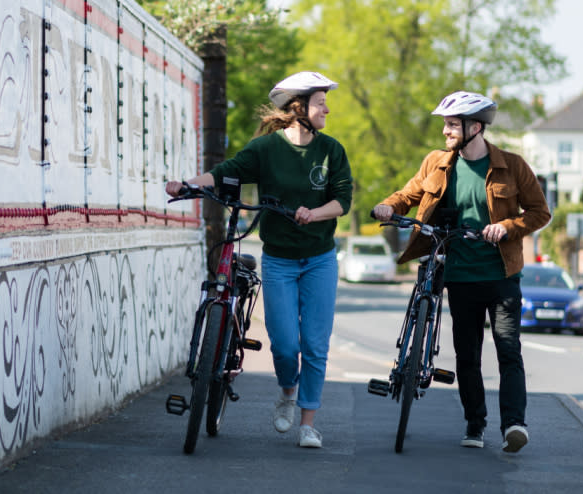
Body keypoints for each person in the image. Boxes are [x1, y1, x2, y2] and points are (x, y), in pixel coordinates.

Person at [165, 71, 353, 448]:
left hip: (319, 258)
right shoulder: (267, 149)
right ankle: (287, 392)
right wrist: (187, 184)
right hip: (280, 259)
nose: (326, 110)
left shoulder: (332, 150)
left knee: (315, 345)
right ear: (299, 107)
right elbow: (224, 172)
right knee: (285, 345)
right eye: (320, 103)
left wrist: (314, 214)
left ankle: (308, 423)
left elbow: (342, 200)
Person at [371, 91, 551, 453]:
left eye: (452, 125)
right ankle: (475, 423)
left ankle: (514, 425)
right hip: (459, 274)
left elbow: (539, 213)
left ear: (476, 127)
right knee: (467, 354)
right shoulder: (436, 163)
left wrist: (509, 227)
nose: (445, 132)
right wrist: (387, 206)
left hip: (501, 276)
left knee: (508, 350)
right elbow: (408, 194)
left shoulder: (512, 166)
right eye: (446, 124)